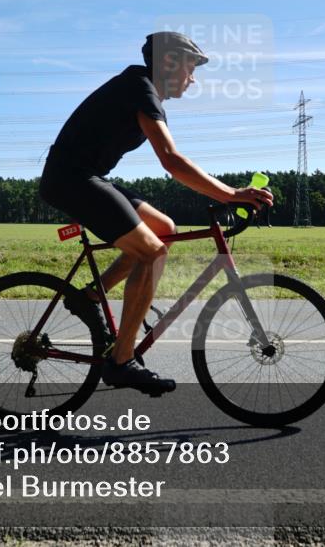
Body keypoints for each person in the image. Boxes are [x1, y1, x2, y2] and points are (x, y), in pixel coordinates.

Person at [39, 32, 274, 396]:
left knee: (164, 229)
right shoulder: (140, 87)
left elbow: (171, 160)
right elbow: (171, 160)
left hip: (86, 177)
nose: (193, 78)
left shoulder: (141, 88)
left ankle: (89, 298)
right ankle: (121, 361)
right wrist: (231, 193)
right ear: (169, 64)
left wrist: (227, 194)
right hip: (71, 180)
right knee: (151, 251)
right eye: (190, 68)